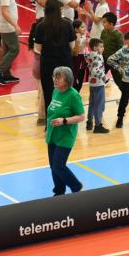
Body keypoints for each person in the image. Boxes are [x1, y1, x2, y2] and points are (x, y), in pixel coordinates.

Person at [43, 65, 85, 196]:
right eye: (54, 77)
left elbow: (81, 116)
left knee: (58, 165)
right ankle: (59, 192)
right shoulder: (55, 91)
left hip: (65, 136)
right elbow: (52, 112)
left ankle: (76, 187)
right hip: (53, 134)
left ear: (67, 80)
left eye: (58, 77)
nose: (55, 80)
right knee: (53, 166)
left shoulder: (73, 95)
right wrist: (48, 128)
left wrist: (64, 121)